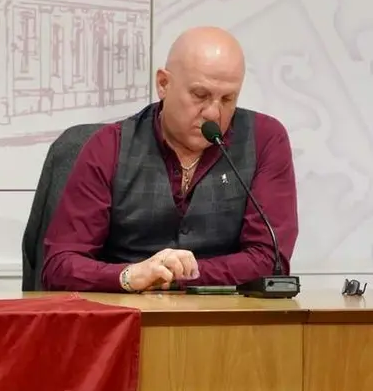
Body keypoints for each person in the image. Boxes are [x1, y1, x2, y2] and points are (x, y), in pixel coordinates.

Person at [40, 26, 298, 292]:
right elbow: (59, 266)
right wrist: (128, 276)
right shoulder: (108, 147)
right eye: (200, 95)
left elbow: (270, 259)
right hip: (127, 317)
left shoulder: (265, 139)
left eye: (227, 99)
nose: (213, 113)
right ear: (163, 84)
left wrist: (177, 275)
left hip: (225, 320)